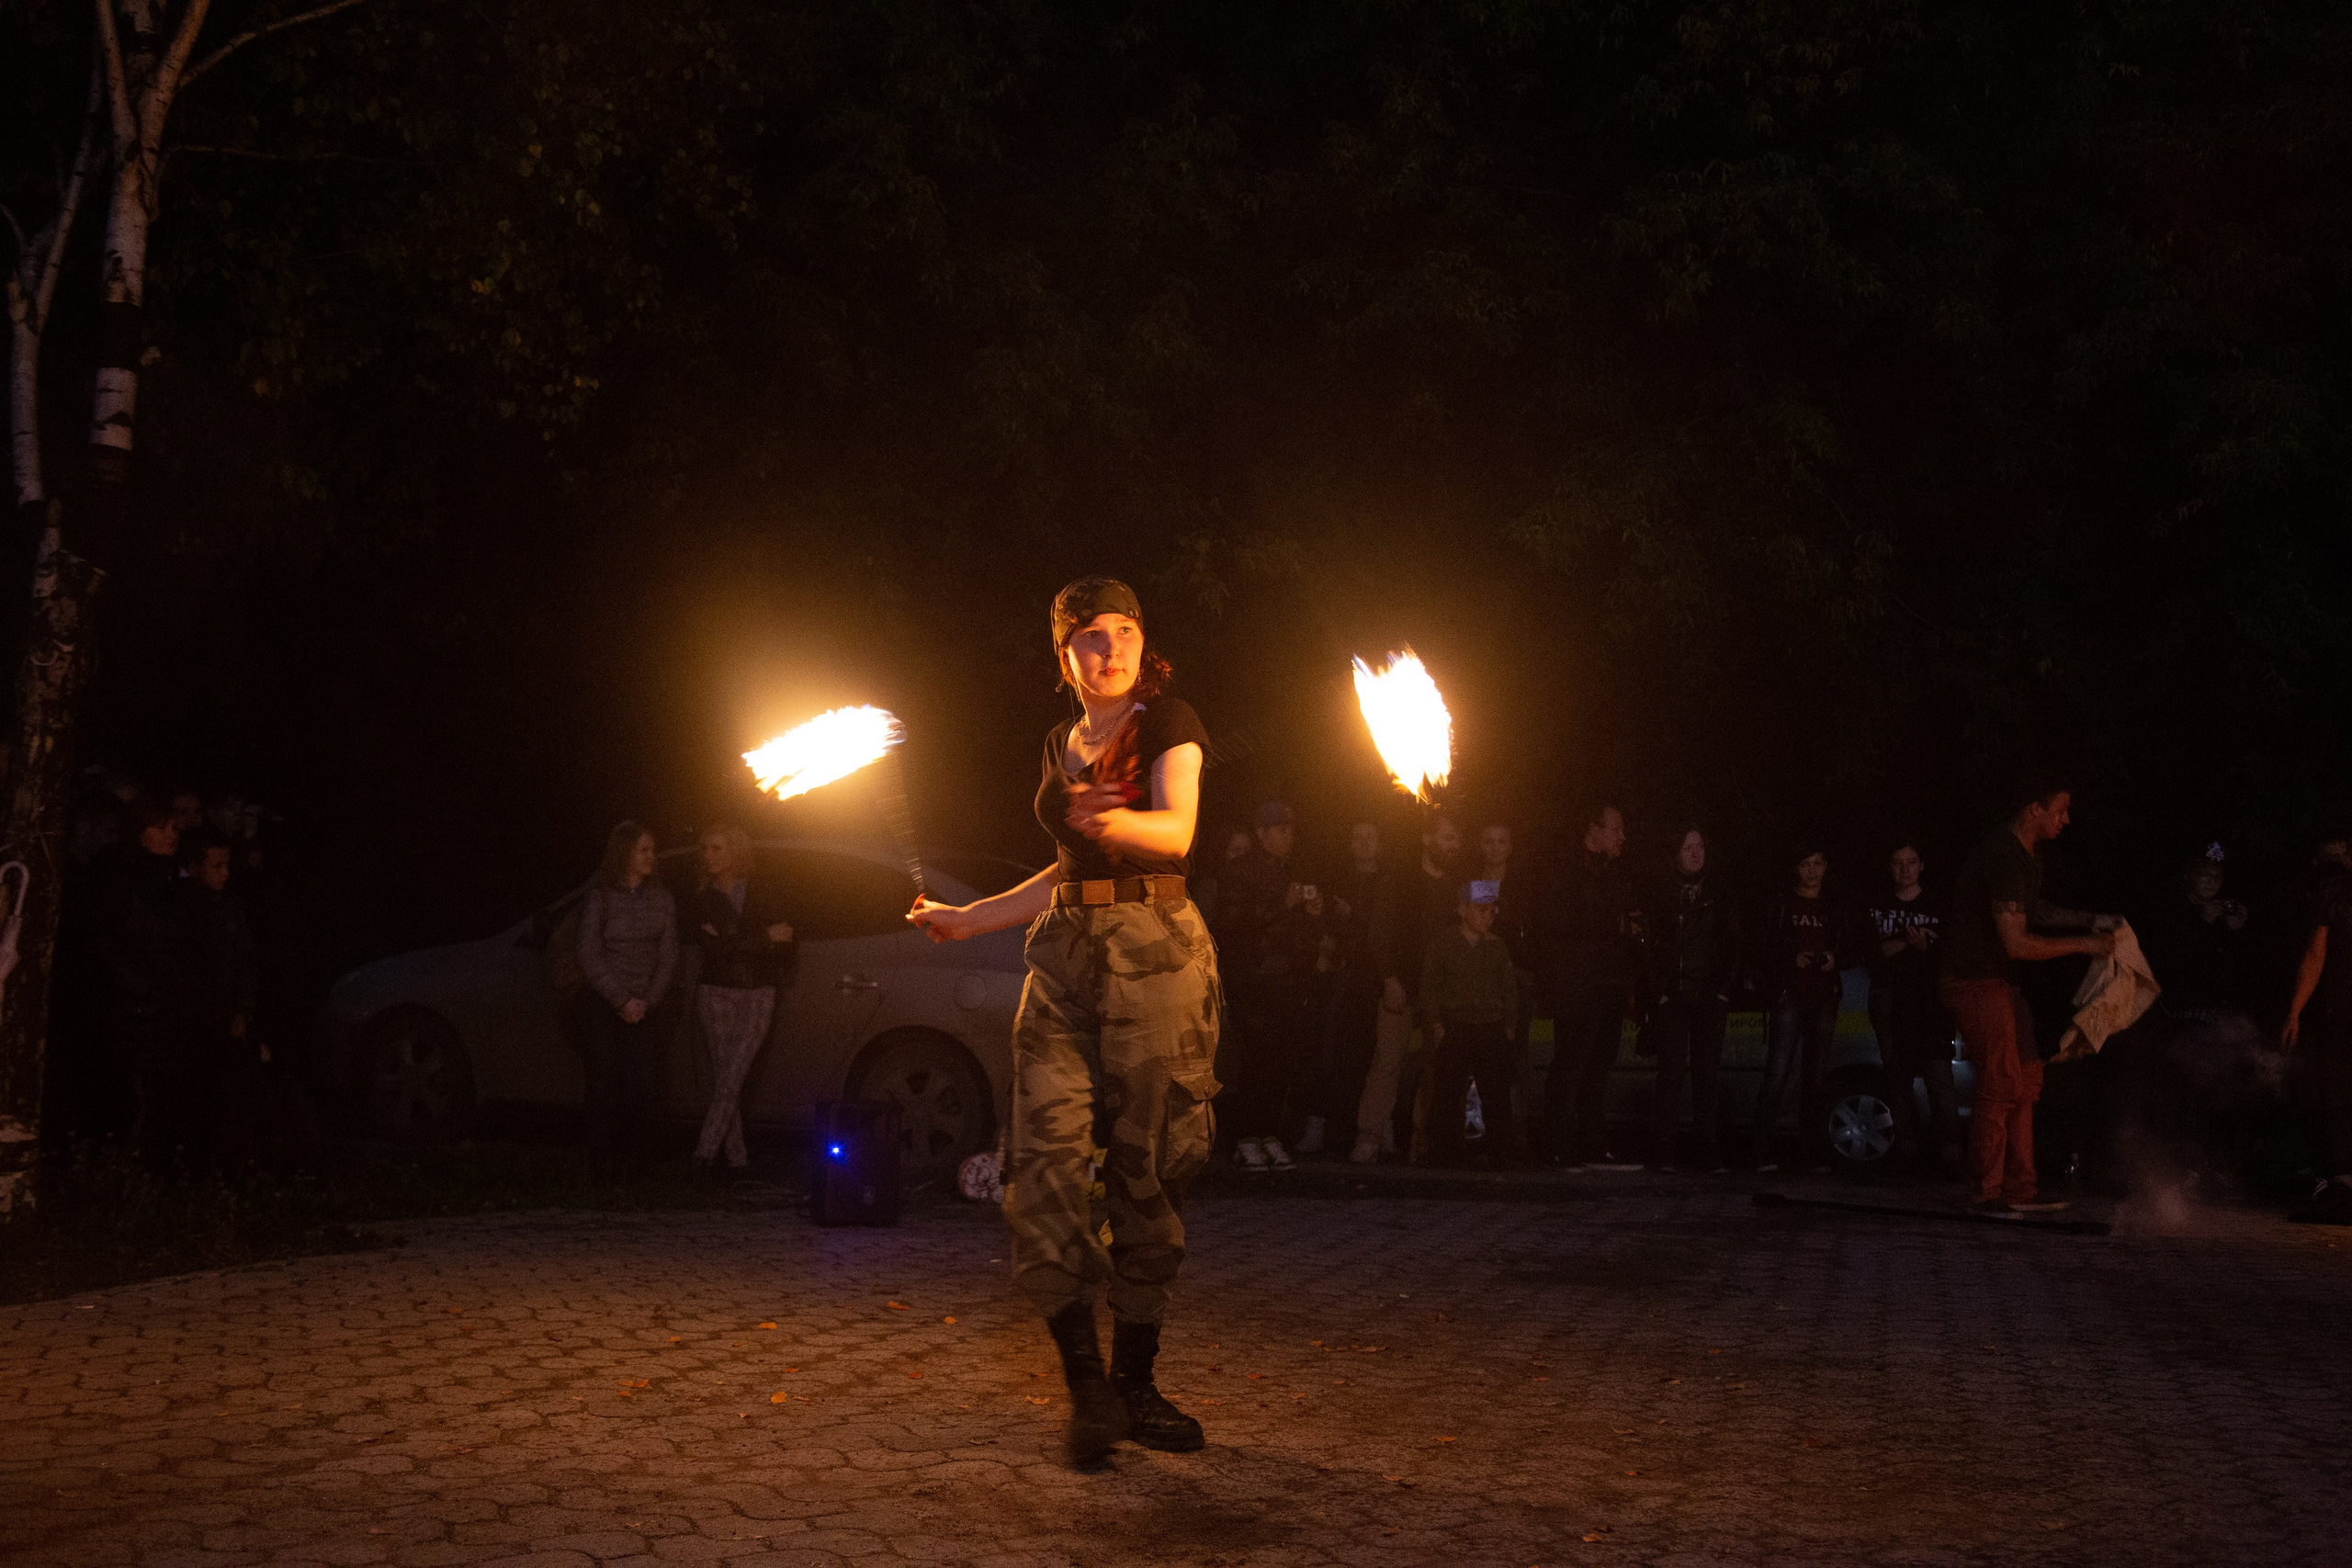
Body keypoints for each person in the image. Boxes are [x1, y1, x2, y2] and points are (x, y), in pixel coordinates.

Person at [908, 576, 1217, 1465]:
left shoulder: (1168, 723)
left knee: (1147, 1171)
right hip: (1064, 957)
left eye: (1124, 631)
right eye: (1090, 637)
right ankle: (1086, 1387)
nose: (1110, 648)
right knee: (1043, 1165)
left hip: (1156, 954)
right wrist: (968, 919)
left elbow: (1178, 832)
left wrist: (1116, 816)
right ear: (1063, 656)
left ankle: (1136, 1384)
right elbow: (1061, 869)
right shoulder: (1058, 742)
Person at [1939, 779, 2118, 1214]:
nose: (2066, 820)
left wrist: (2088, 919)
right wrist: (2084, 944)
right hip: (1974, 980)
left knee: (2027, 1076)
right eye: (2059, 810)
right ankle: (1986, 1191)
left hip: (2001, 984)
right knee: (2001, 1080)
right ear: (2032, 808)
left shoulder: (2026, 857)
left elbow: (2030, 910)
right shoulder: (2003, 855)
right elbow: (2016, 943)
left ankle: (2020, 1187)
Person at [93, 798, 209, 1168]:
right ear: (139, 833)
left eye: (174, 828)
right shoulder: (119, 877)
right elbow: (106, 947)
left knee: (168, 1095)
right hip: (135, 1011)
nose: (170, 835)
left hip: (168, 1008)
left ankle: (158, 1174)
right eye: (160, 828)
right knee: (136, 1097)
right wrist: (143, 992)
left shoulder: (173, 879)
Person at [1213, 800, 1324, 1170]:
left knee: (1281, 1060)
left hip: (1287, 982)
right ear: (1262, 833)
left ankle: (1270, 1133)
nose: (1288, 836)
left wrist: (1312, 914)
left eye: (1291, 829)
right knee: (1252, 1060)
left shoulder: (1293, 870)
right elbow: (1232, 925)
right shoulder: (1239, 872)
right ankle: (1244, 1136)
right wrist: (1281, 904)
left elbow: (1302, 932)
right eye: (1280, 829)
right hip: (1252, 980)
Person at [685, 822, 795, 1180]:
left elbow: (787, 937)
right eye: (705, 849)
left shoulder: (765, 890)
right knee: (725, 1077)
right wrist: (763, 937)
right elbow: (716, 948)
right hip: (716, 990)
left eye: (717, 848)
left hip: (758, 990)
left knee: (733, 1075)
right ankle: (737, 1161)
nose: (708, 855)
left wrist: (737, 939)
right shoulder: (703, 897)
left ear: (736, 851)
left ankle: (703, 1155)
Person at [572, 820, 679, 1183]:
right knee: (603, 1083)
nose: (651, 856)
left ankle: (641, 1166)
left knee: (645, 1086)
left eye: (653, 850)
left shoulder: (662, 900)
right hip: (605, 1003)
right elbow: (589, 953)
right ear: (625, 853)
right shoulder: (602, 897)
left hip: (644, 1005)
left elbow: (668, 957)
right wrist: (620, 999)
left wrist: (647, 1000)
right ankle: (601, 1164)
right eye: (643, 850)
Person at [1353, 811, 1462, 1163]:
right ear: (1427, 840)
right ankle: (1369, 1138)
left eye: (1456, 839)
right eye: (1445, 837)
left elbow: (1481, 922)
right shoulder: (1399, 879)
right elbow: (1378, 934)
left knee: (1436, 1067)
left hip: (1440, 994)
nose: (1453, 846)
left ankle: (1422, 1142)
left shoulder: (1460, 884)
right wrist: (1389, 979)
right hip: (1402, 986)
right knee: (1387, 1064)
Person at [1544, 801, 1640, 1169]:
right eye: (1616, 829)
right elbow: (1563, 924)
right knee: (1571, 1066)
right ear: (1594, 829)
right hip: (1577, 989)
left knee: (1599, 1067)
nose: (1622, 837)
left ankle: (1592, 1144)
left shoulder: (1614, 875)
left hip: (1609, 987)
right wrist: (1615, 924)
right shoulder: (1566, 871)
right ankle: (1558, 1146)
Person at [1641, 825, 1740, 1171]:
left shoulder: (1719, 891)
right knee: (1671, 1073)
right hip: (1675, 993)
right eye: (1687, 847)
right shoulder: (1662, 893)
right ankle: (1664, 1147)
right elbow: (1648, 945)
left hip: (1710, 995)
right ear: (1676, 853)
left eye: (1699, 846)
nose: (1696, 853)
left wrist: (1723, 989)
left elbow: (1732, 943)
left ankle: (1706, 1148)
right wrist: (1661, 992)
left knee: (1706, 1074)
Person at [1298, 819, 1390, 1156]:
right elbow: (1325, 924)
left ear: (1381, 844)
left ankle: (1367, 1130)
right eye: (1358, 836)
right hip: (1338, 978)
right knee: (1328, 1051)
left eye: (1371, 836)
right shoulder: (1338, 881)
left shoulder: (1389, 881)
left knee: (1369, 1056)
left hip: (1374, 979)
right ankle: (1318, 1127)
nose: (1364, 842)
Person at [1751, 842, 1845, 1173]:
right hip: (1790, 994)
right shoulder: (1781, 903)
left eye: (1817, 863)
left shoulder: (1832, 905)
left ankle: (1812, 1152)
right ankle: (1760, 1151)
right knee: (1778, 1073)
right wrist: (1791, 958)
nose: (1812, 870)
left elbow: (1849, 942)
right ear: (1797, 867)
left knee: (1815, 1079)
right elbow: (1763, 944)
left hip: (1823, 997)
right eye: (1806, 863)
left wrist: (1834, 959)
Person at [1866, 841, 1957, 1171]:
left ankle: (1949, 1153)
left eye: (1911, 862)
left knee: (1939, 1076)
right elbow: (1873, 952)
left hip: (1929, 1001)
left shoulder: (1938, 905)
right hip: (1889, 998)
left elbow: (1947, 952)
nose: (1905, 870)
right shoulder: (1876, 905)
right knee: (1897, 1077)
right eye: (1897, 863)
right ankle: (1909, 1151)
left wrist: (1921, 950)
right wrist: (1908, 942)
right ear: (1889, 868)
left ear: (1922, 865)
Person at [1420, 880, 1520, 1167]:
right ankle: (1443, 1152)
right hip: (1457, 1026)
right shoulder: (1444, 943)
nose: (1488, 915)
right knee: (1448, 1093)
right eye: (1481, 910)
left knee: (1496, 1093)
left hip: (1490, 1027)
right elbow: (1430, 987)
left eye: (1492, 910)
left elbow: (1509, 988)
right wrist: (1437, 1025)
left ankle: (1502, 1153)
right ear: (1463, 910)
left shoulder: (1497, 946)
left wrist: (1509, 1026)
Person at [183, 830, 264, 1167]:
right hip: (191, 1022)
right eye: (216, 866)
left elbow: (245, 962)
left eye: (227, 865)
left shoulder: (229, 909)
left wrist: (241, 1010)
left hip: (225, 1021)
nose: (225, 873)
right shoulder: (182, 908)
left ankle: (226, 1166)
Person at [2283, 834, 2352, 1222]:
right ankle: (2340, 1183)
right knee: (2334, 1093)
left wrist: (2295, 1011)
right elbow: (2316, 953)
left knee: (2337, 1094)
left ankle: (2340, 1184)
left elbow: (2314, 953)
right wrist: (2295, 1011)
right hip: (2340, 1011)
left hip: (2340, 1012)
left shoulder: (2333, 892)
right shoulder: (2334, 894)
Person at [1476, 821, 1538, 1160]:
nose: (1495, 847)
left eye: (1502, 841)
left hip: (1516, 978)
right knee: (1481, 1057)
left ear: (1510, 847)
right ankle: (1480, 1136)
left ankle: (1517, 1139)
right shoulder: (1473, 884)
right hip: (1479, 979)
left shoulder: (1520, 886)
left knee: (1515, 1058)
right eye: (1488, 841)